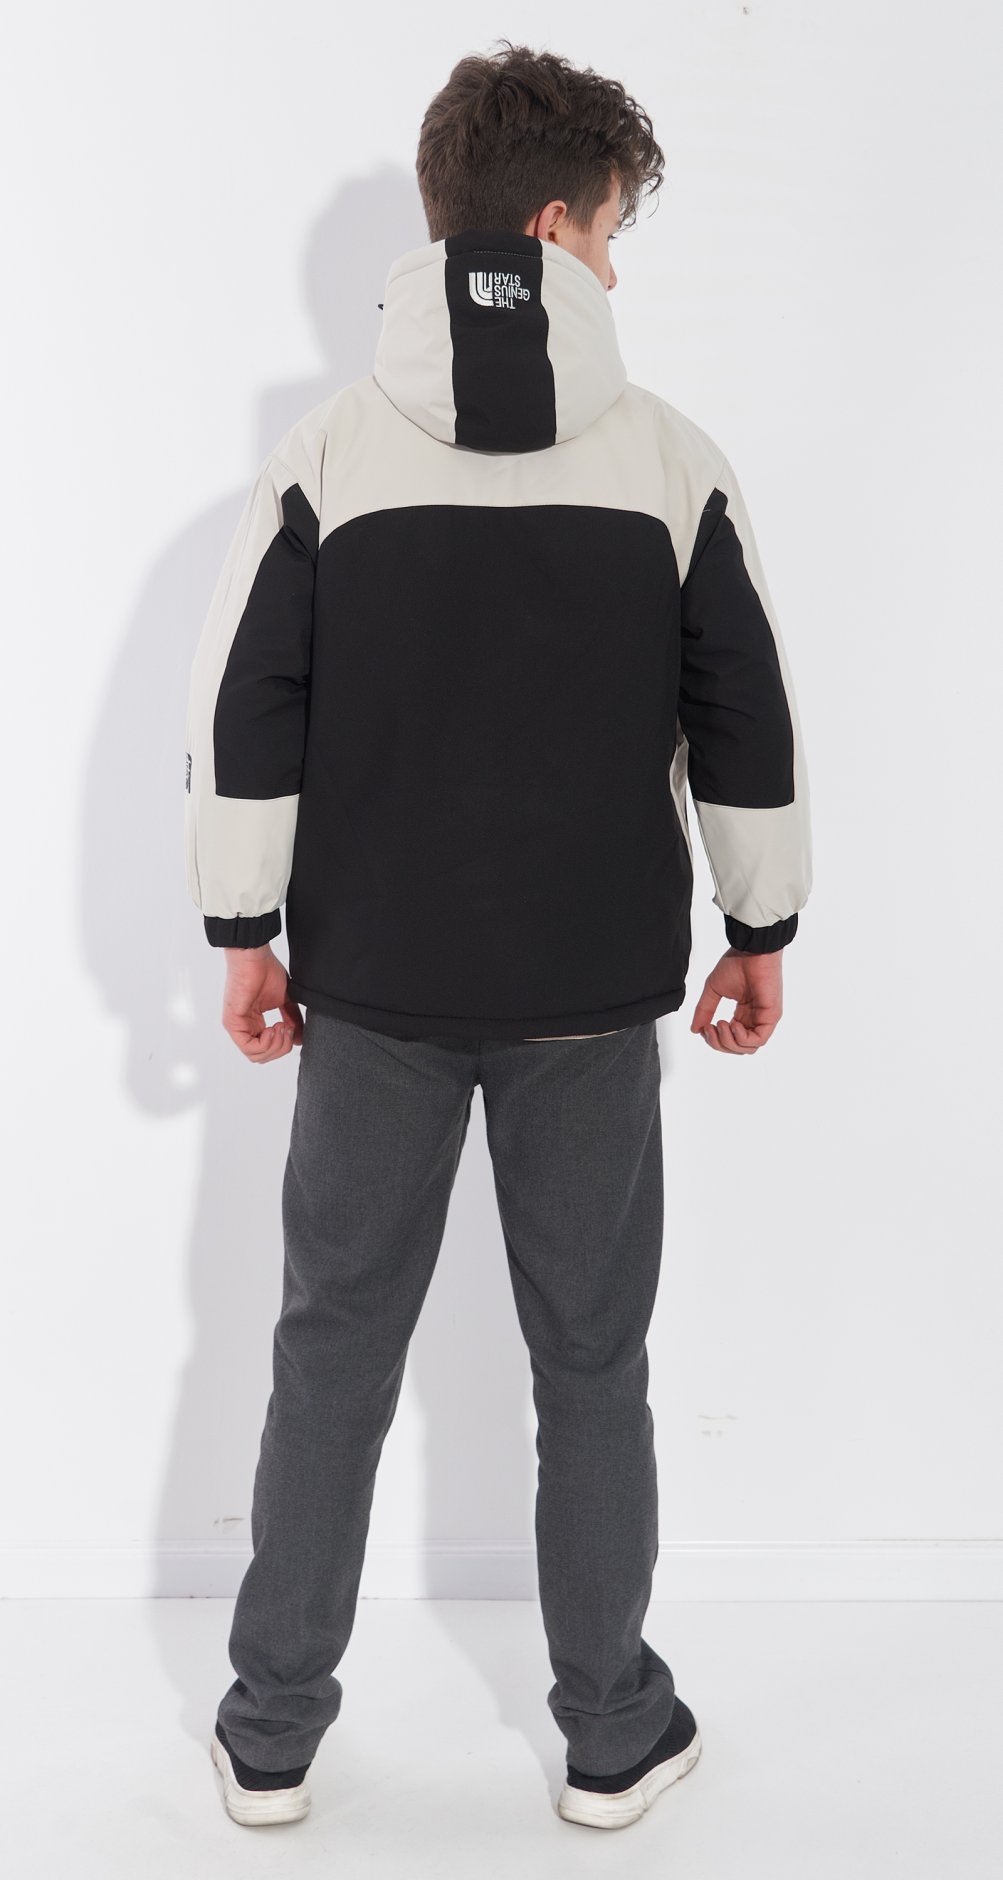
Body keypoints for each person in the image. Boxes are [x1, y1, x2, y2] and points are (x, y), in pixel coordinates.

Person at [186, 38, 812, 1833]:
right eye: (610, 234)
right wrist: (760, 922)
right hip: (588, 1008)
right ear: (551, 231)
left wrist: (244, 929)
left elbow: (248, 712)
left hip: (373, 992)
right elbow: (747, 722)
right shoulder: (672, 461)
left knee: (330, 1354)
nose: (615, 269)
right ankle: (612, 1732)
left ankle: (269, 1734)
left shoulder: (325, 455)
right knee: (592, 1369)